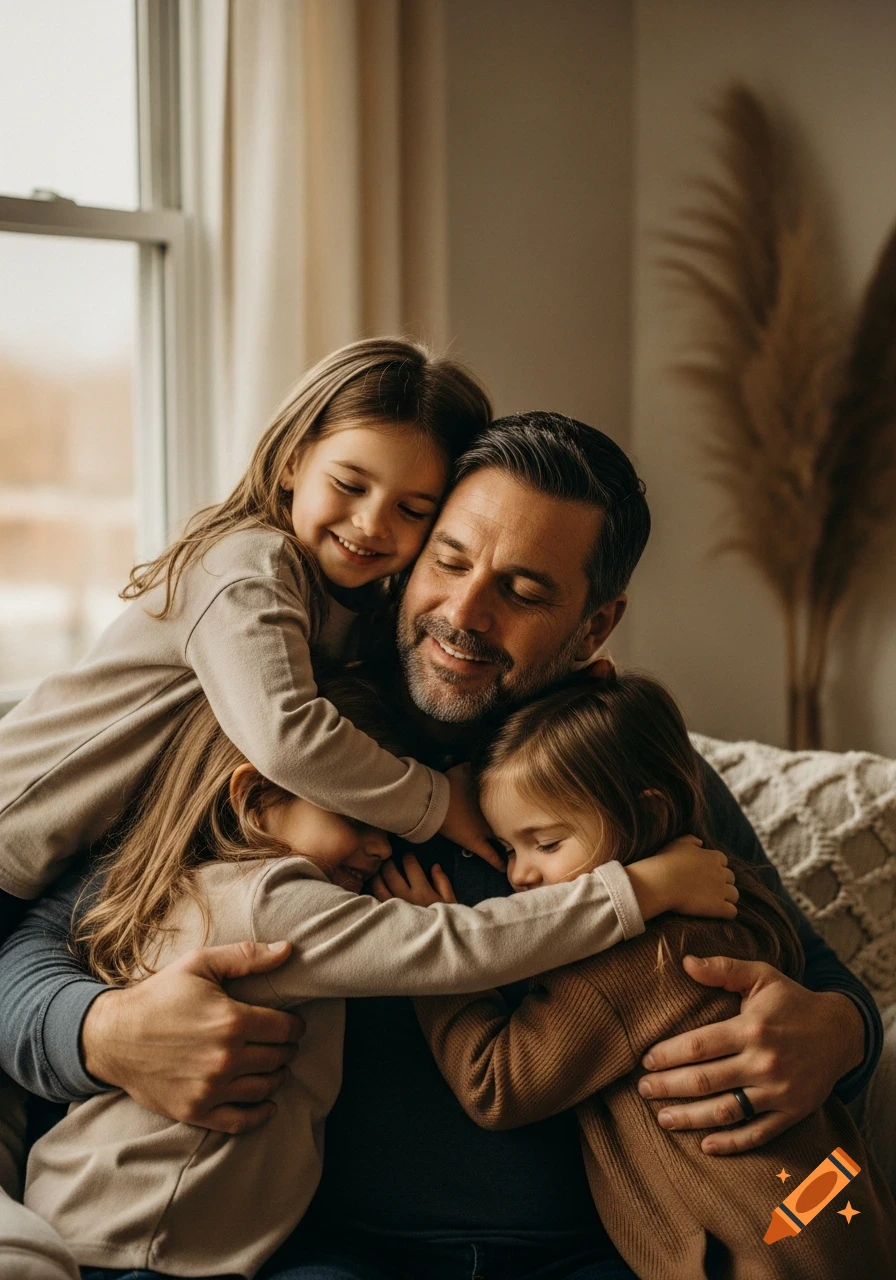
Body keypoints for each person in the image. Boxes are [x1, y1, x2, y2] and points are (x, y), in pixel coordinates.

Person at [0, 413, 883, 1280]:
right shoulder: (298, 735)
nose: (464, 613)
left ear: (596, 626)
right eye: (450, 562)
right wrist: (102, 1033)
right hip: (322, 1250)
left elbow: (815, 973)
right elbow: (33, 953)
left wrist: (834, 1040)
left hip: (603, 1249)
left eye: (525, 592)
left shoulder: (625, 767)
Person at [20, 678, 732, 1280]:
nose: (379, 843)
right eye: (356, 812)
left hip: (131, 1224)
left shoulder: (203, 887)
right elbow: (458, 945)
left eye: (392, 817)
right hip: (142, 1241)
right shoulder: (273, 899)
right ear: (255, 797)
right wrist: (636, 891)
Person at [402, 673, 896, 1280]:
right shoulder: (725, 895)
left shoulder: (627, 965)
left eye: (546, 843)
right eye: (508, 850)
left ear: (647, 810)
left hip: (753, 1251)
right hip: (833, 1208)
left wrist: (432, 951)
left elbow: (497, 1084)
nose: (521, 876)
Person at [0, 336, 501, 929]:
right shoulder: (249, 567)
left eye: (413, 510)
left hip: (81, 869)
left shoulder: (361, 610)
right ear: (293, 461)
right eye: (349, 484)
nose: (371, 523)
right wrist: (439, 803)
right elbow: (285, 736)